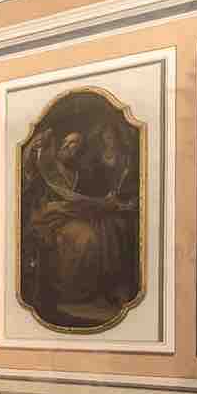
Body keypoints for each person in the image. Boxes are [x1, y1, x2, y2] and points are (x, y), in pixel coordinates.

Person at [21, 123, 138, 326]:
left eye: (75, 144)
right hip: (49, 217)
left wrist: (105, 201)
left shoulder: (78, 173)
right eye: (67, 141)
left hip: (69, 214)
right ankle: (72, 292)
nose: (69, 146)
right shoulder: (47, 164)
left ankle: (98, 289)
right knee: (87, 237)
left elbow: (84, 198)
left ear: (79, 150)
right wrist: (35, 146)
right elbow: (30, 171)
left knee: (103, 229)